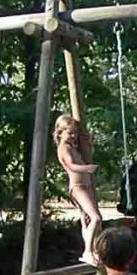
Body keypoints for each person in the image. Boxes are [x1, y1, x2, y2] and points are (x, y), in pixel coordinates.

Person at [55, 114, 102, 266]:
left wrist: (89, 144)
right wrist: (87, 168)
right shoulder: (63, 148)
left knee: (86, 220)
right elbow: (71, 166)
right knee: (96, 218)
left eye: (74, 132)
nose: (73, 136)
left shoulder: (73, 147)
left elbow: (85, 155)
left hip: (85, 186)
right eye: (70, 132)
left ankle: (92, 249)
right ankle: (87, 252)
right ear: (60, 132)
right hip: (78, 187)